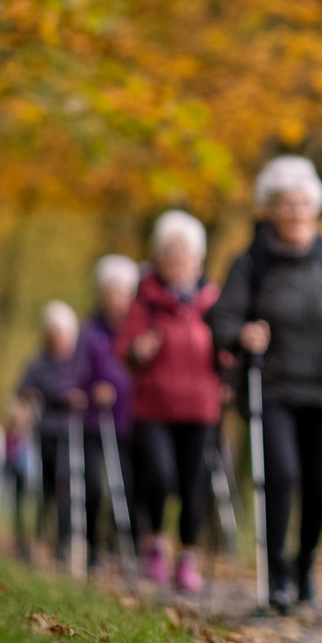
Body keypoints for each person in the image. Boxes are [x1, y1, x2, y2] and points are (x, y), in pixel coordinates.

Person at [206, 156, 322, 612]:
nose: (296, 212)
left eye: (303, 203)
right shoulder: (252, 263)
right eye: (285, 203)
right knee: (281, 475)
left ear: (316, 206)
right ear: (269, 208)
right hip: (275, 388)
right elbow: (222, 319)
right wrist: (241, 334)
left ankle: (305, 562)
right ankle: (277, 572)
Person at [117, 211, 222, 593]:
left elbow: (227, 345)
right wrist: (136, 350)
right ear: (158, 258)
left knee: (195, 483)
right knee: (159, 476)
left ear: (199, 258)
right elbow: (124, 347)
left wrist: (229, 360)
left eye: (185, 251)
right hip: (154, 408)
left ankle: (188, 558)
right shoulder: (144, 301)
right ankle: (156, 545)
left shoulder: (212, 301)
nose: (178, 258)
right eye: (170, 251)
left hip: (201, 408)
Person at [72, 255, 140, 558]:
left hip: (130, 419)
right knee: (95, 486)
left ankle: (122, 543)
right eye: (112, 291)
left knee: (128, 484)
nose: (117, 299)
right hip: (94, 420)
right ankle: (92, 546)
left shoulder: (136, 330)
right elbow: (75, 371)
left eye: (124, 292)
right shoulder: (89, 332)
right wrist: (91, 389)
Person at [16, 300, 83, 562]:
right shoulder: (38, 363)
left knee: (66, 487)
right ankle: (38, 539)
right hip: (45, 433)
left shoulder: (77, 364)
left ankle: (63, 543)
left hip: (72, 435)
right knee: (43, 488)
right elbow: (24, 388)